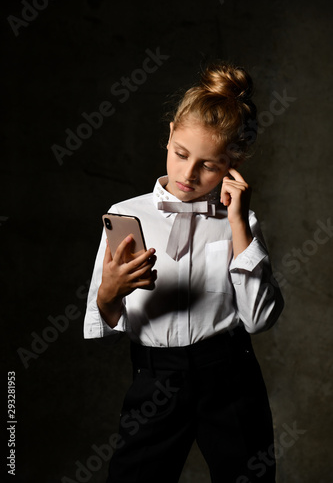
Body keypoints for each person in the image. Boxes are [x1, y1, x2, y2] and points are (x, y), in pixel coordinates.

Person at [84, 61, 284, 483]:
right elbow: (103, 316)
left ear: (233, 162)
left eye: (210, 165)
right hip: (155, 376)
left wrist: (237, 224)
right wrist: (110, 292)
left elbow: (260, 319)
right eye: (181, 154)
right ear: (171, 133)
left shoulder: (241, 222)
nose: (189, 175)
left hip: (229, 375)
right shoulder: (126, 214)